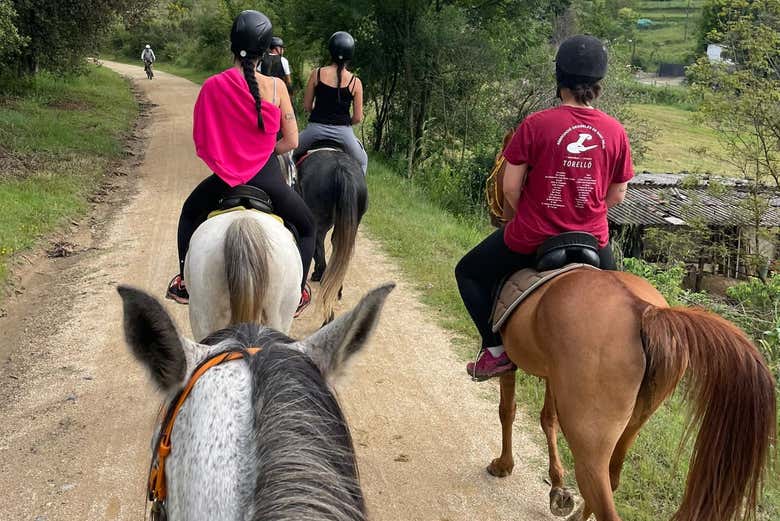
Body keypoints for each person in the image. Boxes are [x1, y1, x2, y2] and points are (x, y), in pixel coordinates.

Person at [455, 35, 634, 381]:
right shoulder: (615, 132)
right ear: (599, 84)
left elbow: (509, 186)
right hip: (592, 240)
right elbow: (619, 194)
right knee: (623, 301)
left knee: (468, 272)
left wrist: (525, 214)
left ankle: (495, 351)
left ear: (560, 78)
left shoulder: (536, 124)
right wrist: (588, 209)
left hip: (534, 236)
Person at [166, 10, 315, 316]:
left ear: (232, 44)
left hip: (224, 179)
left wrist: (229, 156)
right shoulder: (277, 88)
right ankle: (299, 290)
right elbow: (292, 142)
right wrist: (263, 152)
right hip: (268, 179)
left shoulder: (212, 85)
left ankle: (183, 280)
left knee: (189, 213)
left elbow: (202, 137)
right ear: (265, 50)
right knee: (307, 225)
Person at [296, 31, 367, 175]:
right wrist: (345, 121)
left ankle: (290, 184)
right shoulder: (355, 82)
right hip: (343, 133)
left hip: (315, 129)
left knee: (288, 152)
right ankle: (361, 196)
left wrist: (321, 114)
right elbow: (358, 117)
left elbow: (307, 105)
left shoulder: (317, 73)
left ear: (331, 51)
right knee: (363, 160)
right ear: (350, 55)